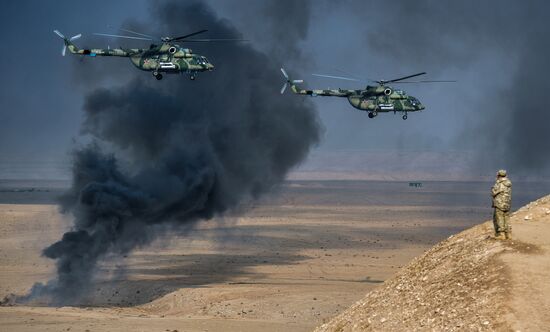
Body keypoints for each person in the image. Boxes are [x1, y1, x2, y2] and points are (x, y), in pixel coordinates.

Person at [491, 169, 512, 240]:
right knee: (506, 218)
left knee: (499, 218)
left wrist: (493, 188)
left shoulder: (499, 183)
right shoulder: (508, 183)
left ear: (499, 175)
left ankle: (501, 234)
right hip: (507, 203)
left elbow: (493, 193)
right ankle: (508, 234)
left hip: (499, 203)